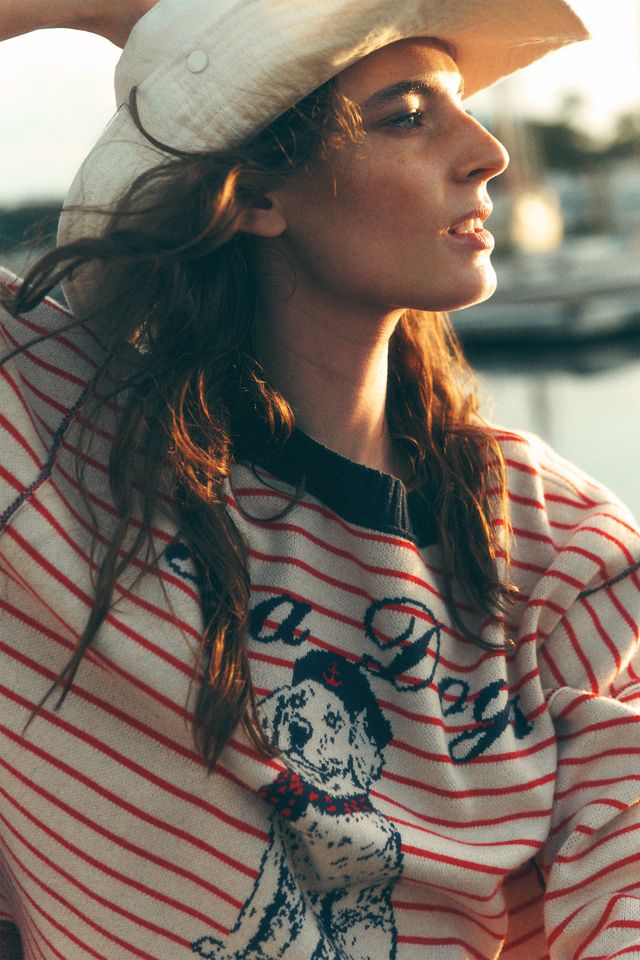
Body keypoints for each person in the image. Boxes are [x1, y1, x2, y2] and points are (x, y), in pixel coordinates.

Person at [1, 1, 639, 958]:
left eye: (460, 107)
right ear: (256, 195)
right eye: (407, 115)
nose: (488, 152)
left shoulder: (557, 541)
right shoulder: (60, 446)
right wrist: (105, 10)